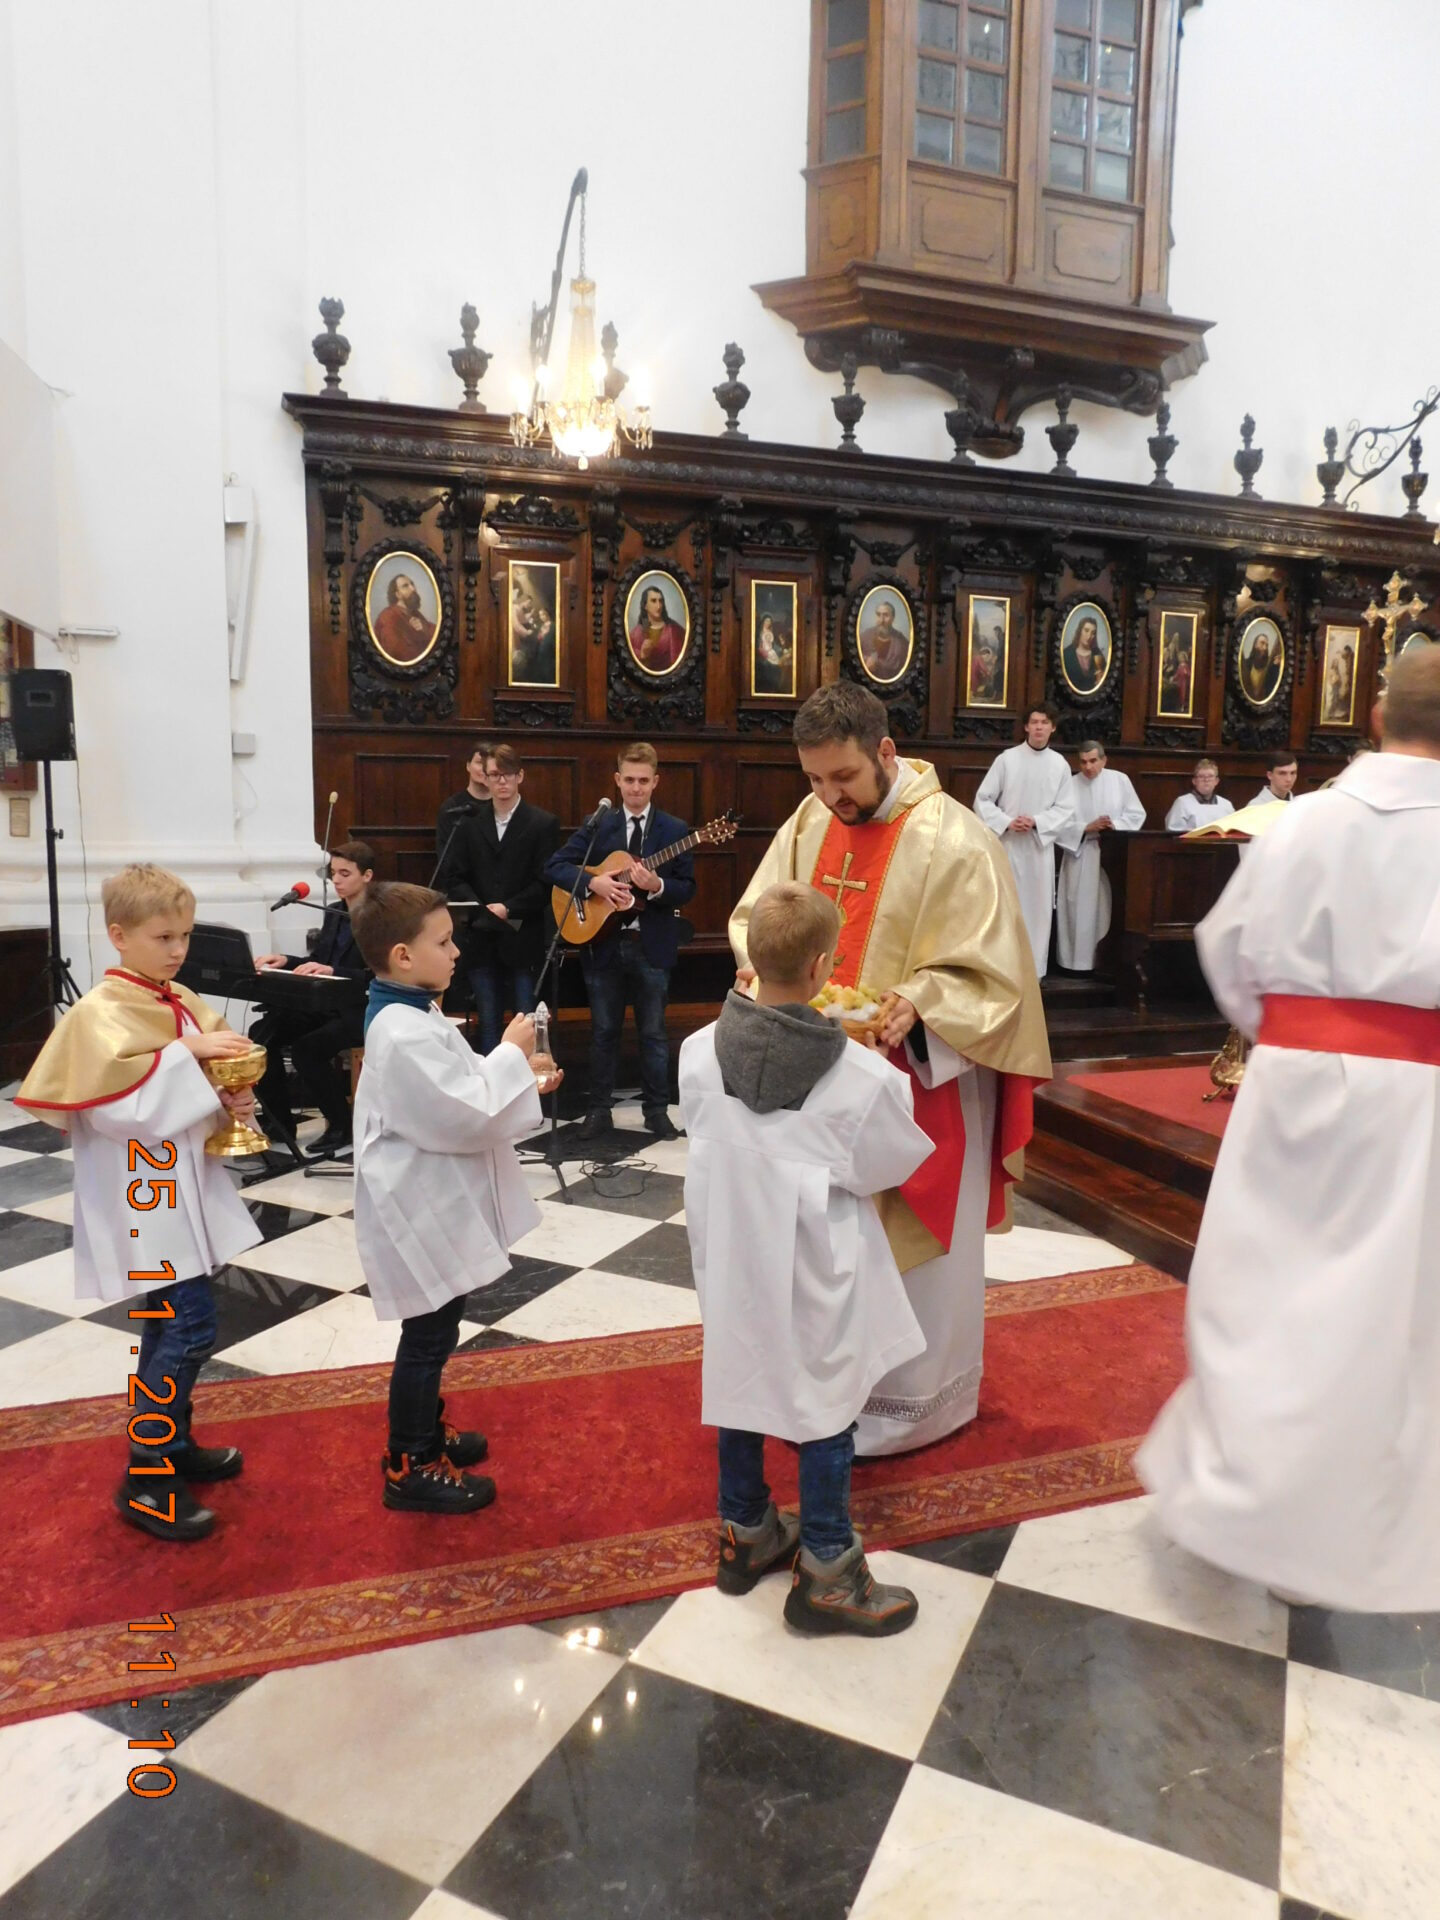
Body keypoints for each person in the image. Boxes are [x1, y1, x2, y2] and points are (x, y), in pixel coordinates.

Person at [1137, 644, 1440, 1610]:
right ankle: (1346, 1521)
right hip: (1418, 1109)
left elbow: (1228, 946)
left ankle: (1246, 1500)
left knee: (1265, 1296)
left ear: (1378, 717)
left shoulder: (1303, 820)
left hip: (1294, 1088)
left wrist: (1294, 1042)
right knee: (1382, 1315)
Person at [730, 683, 1049, 1456]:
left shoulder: (956, 838)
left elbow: (996, 977)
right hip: (818, 1084)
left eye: (843, 777)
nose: (828, 796)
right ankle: (830, 1396)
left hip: (921, 1082)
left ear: (885, 751)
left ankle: (914, 1406)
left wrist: (918, 1000)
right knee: (828, 1252)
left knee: (912, 1262)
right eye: (814, 778)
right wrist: (763, 970)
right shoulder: (808, 823)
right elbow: (756, 920)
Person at [680, 883, 933, 1634]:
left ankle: (746, 1530)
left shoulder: (697, 1052)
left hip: (732, 1256)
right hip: (816, 1267)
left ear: (752, 959)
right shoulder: (863, 1077)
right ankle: (827, 1567)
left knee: (739, 1377)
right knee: (827, 1402)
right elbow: (887, 1166)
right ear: (824, 967)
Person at [15, 865, 261, 1543]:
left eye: (184, 935)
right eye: (163, 937)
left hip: (177, 1188)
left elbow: (202, 1075)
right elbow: (121, 1111)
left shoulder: (176, 997)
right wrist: (186, 1053)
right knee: (189, 1328)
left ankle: (171, 1443)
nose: (178, 950)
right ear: (118, 935)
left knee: (167, 1324)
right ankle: (146, 1478)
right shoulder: (101, 1012)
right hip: (142, 1193)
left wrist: (230, 1094)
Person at [350, 882, 563, 1514]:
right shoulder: (400, 1029)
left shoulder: (412, 1011)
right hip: (415, 1201)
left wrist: (520, 1077)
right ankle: (409, 1462)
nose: (456, 953)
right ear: (403, 956)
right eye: (443, 943)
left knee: (438, 1326)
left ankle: (423, 1430)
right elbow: (463, 1112)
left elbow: (460, 1084)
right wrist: (511, 1054)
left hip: (429, 1191)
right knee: (428, 1333)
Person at [545, 742, 696, 1141]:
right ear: (617, 780)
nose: (636, 788)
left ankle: (657, 1111)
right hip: (602, 943)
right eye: (629, 780)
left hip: (652, 944)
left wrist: (658, 885)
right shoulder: (599, 825)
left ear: (656, 782)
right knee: (604, 1032)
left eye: (643, 781)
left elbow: (686, 888)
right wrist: (592, 882)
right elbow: (554, 866)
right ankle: (599, 1111)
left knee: (654, 1033)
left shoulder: (674, 830)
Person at [251, 839, 373, 1158]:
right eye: (333, 873)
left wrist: (333, 969)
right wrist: (286, 960)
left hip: (361, 1008)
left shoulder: (380, 916)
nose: (337, 880)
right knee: (262, 1034)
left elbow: (379, 973)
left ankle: (341, 1125)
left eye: (345, 873)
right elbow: (319, 960)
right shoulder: (334, 913)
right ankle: (279, 1122)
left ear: (367, 876)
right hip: (325, 1004)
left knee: (308, 1049)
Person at [438, 744, 560, 1054]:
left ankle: (529, 1080)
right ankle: (491, 1080)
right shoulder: (469, 823)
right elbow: (454, 876)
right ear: (486, 778)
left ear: (520, 776)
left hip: (523, 935)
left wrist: (508, 907)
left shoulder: (542, 823)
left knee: (526, 1020)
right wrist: (481, 910)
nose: (501, 782)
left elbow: (546, 882)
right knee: (489, 1021)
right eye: (494, 775)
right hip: (481, 936)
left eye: (507, 774)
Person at [974, 704, 1077, 980]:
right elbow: (982, 799)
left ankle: (1034, 973)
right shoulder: (1007, 759)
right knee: (1006, 906)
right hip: (1008, 846)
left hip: (1038, 850)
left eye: (1045, 722)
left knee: (1037, 910)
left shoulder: (1059, 764)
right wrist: (1007, 821)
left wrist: (1037, 821)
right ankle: (1003, 970)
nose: (1039, 727)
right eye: (1034, 722)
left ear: (1053, 727)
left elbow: (1066, 808)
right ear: (1026, 727)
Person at [1056, 741, 1146, 972]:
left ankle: (1104, 962)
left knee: (1106, 908)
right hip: (1080, 853)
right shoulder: (1069, 785)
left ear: (1104, 760)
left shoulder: (1120, 780)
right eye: (1083, 762)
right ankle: (1076, 964)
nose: (1088, 767)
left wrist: (1113, 825)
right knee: (1078, 910)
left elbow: (1136, 813)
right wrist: (1086, 828)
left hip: (1112, 855)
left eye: (1093, 761)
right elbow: (1058, 823)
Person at [437, 742, 492, 865]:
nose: (484, 768)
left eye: (488, 764)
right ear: (468, 766)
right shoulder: (452, 806)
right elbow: (446, 857)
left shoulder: (504, 806)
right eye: (479, 762)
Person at [373, 572, 436, 663]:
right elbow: (397, 652)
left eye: (412, 584)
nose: (413, 588)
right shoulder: (388, 616)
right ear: (397, 594)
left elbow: (437, 633)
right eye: (405, 586)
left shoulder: (415, 614)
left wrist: (425, 628)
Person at [510, 567, 557, 684]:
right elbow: (517, 626)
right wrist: (528, 633)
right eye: (529, 603)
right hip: (517, 638)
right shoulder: (514, 608)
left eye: (543, 614)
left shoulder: (551, 626)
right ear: (524, 600)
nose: (529, 605)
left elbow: (523, 620)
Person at [629, 583, 687, 672]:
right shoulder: (636, 633)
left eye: (660, 601)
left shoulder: (674, 630)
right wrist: (641, 654)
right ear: (645, 605)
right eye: (653, 601)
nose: (658, 606)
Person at [1165, 759, 1234, 833]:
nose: (1206, 780)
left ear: (1216, 781)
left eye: (1210, 776)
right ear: (1194, 781)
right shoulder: (1182, 803)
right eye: (1201, 776)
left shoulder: (1226, 805)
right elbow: (1173, 832)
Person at [858, 596, 910, 681]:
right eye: (878, 615)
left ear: (893, 618)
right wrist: (865, 660)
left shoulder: (902, 642)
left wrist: (877, 663)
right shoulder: (865, 636)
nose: (881, 620)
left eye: (886, 615)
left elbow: (905, 670)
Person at [1062, 614, 1108, 694]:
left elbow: (1105, 679)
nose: (1089, 636)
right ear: (1080, 631)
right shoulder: (1067, 654)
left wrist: (1100, 681)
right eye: (1086, 630)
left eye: (1093, 633)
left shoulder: (1097, 654)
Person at [1240, 628, 1282, 705]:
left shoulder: (1271, 667)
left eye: (1267, 645)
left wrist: (1275, 668)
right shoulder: (1246, 664)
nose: (1265, 648)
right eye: (1262, 643)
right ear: (1255, 645)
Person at [754, 613, 793, 695]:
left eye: (769, 621)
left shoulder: (771, 632)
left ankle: (776, 687)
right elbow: (758, 647)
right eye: (766, 621)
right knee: (770, 667)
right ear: (763, 622)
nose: (768, 623)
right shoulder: (759, 634)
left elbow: (774, 645)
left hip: (771, 652)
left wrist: (781, 649)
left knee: (780, 665)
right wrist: (764, 654)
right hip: (763, 655)